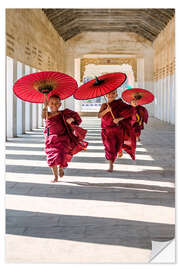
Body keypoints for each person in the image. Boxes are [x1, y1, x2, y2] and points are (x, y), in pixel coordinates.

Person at [42, 94, 88, 182]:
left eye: (56, 103)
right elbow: (43, 115)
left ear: (60, 104)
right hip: (51, 139)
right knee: (51, 157)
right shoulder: (46, 114)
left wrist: (71, 121)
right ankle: (55, 176)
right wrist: (44, 107)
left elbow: (77, 118)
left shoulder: (63, 114)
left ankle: (61, 167)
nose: (54, 105)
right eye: (51, 103)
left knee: (61, 155)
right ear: (48, 104)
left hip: (62, 139)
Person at [98, 90, 137, 172]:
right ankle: (110, 165)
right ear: (106, 95)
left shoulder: (120, 104)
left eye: (113, 93)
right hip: (107, 130)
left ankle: (119, 149)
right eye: (109, 93)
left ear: (116, 95)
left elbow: (129, 113)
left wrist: (119, 119)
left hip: (118, 129)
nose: (111, 95)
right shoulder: (104, 105)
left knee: (118, 145)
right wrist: (107, 110)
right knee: (109, 147)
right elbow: (99, 115)